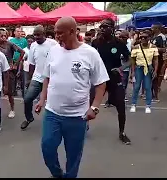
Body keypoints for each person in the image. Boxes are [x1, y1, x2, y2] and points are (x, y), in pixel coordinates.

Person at [37, 17, 109, 178]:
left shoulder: (90, 53)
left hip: (77, 117)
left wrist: (95, 107)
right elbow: (46, 77)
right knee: (47, 147)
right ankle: (57, 174)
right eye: (55, 33)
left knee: (73, 156)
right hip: (52, 113)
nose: (57, 36)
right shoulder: (54, 50)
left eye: (60, 33)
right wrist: (42, 99)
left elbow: (101, 83)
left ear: (72, 31)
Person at [91, 18, 132, 145]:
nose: (102, 29)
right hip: (99, 79)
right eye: (101, 26)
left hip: (114, 79)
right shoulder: (96, 42)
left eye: (106, 26)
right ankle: (83, 127)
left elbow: (129, 60)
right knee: (89, 103)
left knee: (120, 105)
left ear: (112, 28)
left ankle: (122, 132)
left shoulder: (119, 43)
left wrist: (120, 68)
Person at [20, 25, 58, 130]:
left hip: (51, 79)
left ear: (44, 34)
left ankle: (53, 122)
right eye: (35, 35)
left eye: (38, 35)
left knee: (52, 103)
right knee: (27, 99)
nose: (36, 37)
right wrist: (29, 79)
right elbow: (32, 64)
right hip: (37, 78)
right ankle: (28, 118)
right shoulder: (33, 46)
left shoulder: (53, 44)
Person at [0, 28, 24, 119]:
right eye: (2, 36)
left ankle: (12, 110)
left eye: (5, 36)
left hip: (8, 71)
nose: (4, 37)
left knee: (9, 92)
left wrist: (15, 64)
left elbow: (22, 52)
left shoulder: (10, 44)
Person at [130, 31, 159, 113]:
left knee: (147, 87)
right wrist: (132, 72)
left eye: (145, 37)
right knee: (136, 87)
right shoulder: (136, 47)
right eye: (141, 37)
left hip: (148, 68)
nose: (143, 39)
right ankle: (133, 104)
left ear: (149, 38)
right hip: (138, 68)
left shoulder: (153, 47)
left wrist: (155, 71)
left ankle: (148, 105)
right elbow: (132, 61)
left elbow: (156, 60)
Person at [150, 22, 166, 102]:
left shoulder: (161, 37)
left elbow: (164, 49)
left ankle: (155, 96)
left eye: (152, 28)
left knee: (155, 77)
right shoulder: (152, 37)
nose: (151, 29)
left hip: (158, 60)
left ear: (157, 29)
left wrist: (154, 48)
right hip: (150, 59)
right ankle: (151, 94)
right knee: (151, 77)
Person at [9, 26, 27, 96]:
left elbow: (25, 50)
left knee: (22, 77)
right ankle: (13, 91)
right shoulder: (11, 41)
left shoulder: (24, 40)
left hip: (21, 61)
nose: (19, 33)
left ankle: (23, 92)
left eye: (20, 31)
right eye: (17, 31)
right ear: (14, 32)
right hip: (13, 61)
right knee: (13, 77)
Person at [119, 30, 132, 102]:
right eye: (120, 37)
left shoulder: (130, 44)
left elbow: (131, 58)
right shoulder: (116, 44)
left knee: (124, 83)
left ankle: (123, 95)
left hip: (125, 67)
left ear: (127, 37)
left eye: (123, 37)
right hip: (117, 67)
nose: (121, 38)